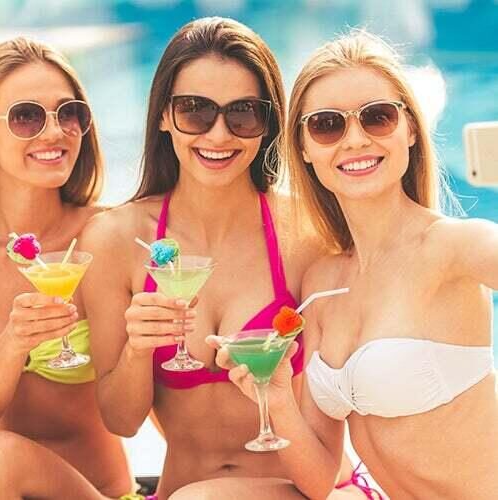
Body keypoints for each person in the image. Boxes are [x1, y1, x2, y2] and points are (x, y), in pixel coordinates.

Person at [80, 17, 367, 500]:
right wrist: (137, 349)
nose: (218, 135)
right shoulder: (116, 240)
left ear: (269, 124)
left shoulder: (307, 235)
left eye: (243, 114)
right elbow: (122, 422)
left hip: (309, 491)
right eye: (195, 110)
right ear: (163, 116)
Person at [212, 30, 498, 499]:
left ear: (408, 128)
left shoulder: (455, 247)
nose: (356, 140)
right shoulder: (323, 281)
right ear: (303, 147)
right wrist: (279, 397)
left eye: (377, 117)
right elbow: (320, 479)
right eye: (327, 125)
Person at [0, 37, 136, 499]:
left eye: (68, 112)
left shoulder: (108, 235)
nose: (55, 132)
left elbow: (143, 412)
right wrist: (14, 344)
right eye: (26, 116)